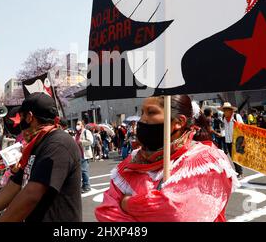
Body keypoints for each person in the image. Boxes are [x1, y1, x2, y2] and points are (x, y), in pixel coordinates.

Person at [95, 95, 238, 222]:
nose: (143, 119)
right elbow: (106, 212)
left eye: (151, 112)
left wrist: (127, 203)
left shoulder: (206, 160)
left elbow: (178, 215)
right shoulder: (134, 159)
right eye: (142, 112)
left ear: (179, 122)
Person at [0, 92, 82, 222]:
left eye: (21, 116)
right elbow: (15, 185)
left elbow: (31, 194)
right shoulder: (36, 145)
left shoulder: (57, 144)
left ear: (30, 117)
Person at [220, 102, 244, 179]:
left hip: (236, 140)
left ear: (230, 110)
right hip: (228, 140)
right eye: (224, 110)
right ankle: (238, 171)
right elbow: (225, 129)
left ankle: (240, 172)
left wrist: (236, 123)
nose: (224, 112)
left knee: (236, 157)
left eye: (226, 110)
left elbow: (242, 126)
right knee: (232, 157)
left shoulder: (236, 116)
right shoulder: (224, 118)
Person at [75, 120, 93, 193]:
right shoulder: (76, 134)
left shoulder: (86, 132)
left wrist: (81, 142)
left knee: (84, 171)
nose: (77, 125)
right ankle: (84, 185)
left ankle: (87, 186)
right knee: (80, 171)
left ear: (82, 125)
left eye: (78, 124)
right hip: (78, 154)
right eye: (77, 124)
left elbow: (91, 141)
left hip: (84, 154)